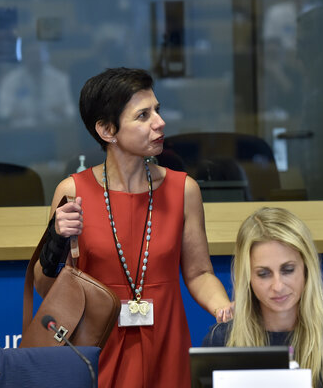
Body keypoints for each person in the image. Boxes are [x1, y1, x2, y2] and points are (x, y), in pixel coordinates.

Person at [33, 67, 233, 388]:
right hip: (98, 347)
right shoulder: (72, 191)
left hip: (167, 342)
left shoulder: (184, 190)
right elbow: (45, 289)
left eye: (157, 110)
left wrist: (223, 307)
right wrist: (56, 240)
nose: (159, 122)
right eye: (143, 116)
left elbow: (198, 273)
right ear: (107, 130)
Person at [202, 207, 323, 388]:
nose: (278, 286)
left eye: (288, 270)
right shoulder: (219, 342)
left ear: (306, 268)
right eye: (263, 273)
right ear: (247, 277)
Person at [0, 37, 76, 127]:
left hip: (54, 129)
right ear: (23, 56)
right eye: (31, 55)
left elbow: (72, 110)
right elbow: (1, 111)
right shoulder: (10, 81)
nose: (35, 59)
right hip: (21, 132)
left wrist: (62, 110)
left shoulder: (60, 79)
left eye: (38, 55)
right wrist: (12, 113)